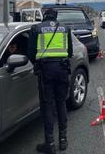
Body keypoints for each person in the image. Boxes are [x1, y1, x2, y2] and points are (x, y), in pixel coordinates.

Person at [27, 9, 73, 154]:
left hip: (46, 71)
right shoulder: (65, 28)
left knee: (47, 105)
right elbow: (70, 52)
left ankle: (50, 143)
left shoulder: (37, 28)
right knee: (61, 103)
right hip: (62, 69)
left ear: (44, 16)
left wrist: (39, 63)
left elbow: (30, 53)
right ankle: (63, 140)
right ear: (56, 17)